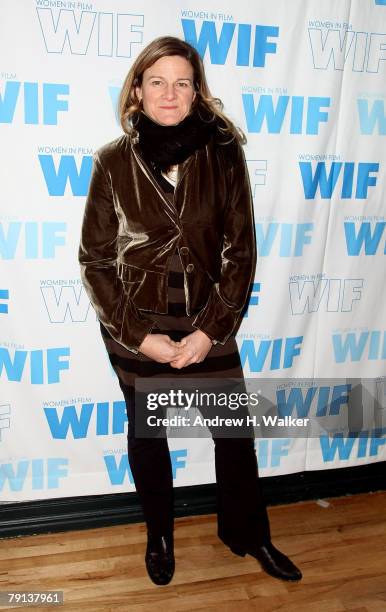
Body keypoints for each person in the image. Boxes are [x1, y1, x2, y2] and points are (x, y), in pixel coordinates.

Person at [79, 36, 302, 586]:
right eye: (157, 81)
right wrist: (139, 337)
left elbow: (240, 249)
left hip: (210, 317)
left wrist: (211, 331)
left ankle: (249, 535)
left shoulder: (224, 151)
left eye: (182, 82)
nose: (170, 93)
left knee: (233, 434)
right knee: (147, 436)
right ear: (137, 91)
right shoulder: (112, 162)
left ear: (197, 91)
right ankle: (159, 535)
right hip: (139, 324)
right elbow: (96, 260)